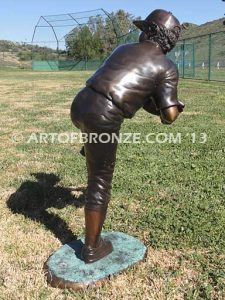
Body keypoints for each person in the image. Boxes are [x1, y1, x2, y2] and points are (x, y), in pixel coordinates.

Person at [71, 9, 185, 263]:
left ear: (149, 31)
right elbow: (169, 116)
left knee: (95, 139)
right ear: (170, 40)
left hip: (80, 104)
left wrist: (154, 101)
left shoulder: (123, 48)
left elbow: (130, 89)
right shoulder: (166, 67)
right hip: (102, 116)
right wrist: (175, 105)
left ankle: (91, 147)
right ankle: (92, 249)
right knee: (99, 181)